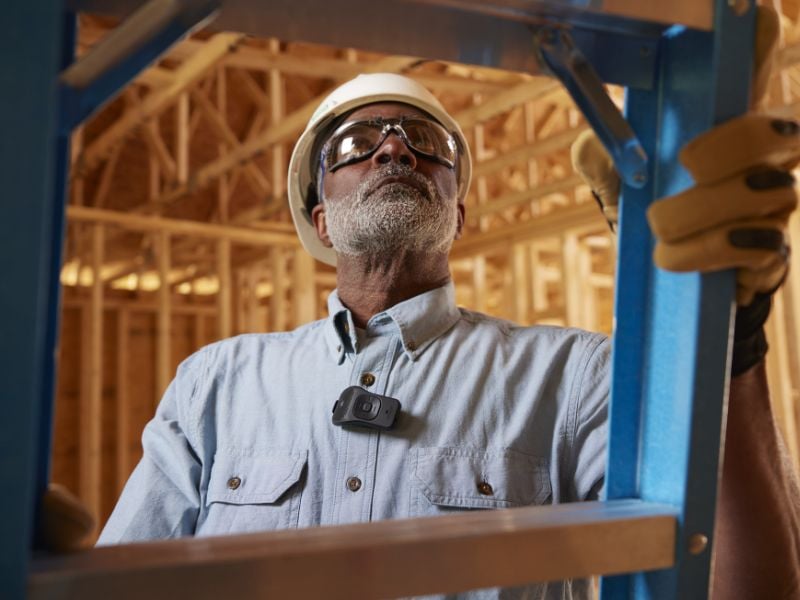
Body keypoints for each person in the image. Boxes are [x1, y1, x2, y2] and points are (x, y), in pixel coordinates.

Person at [92, 12, 799, 598]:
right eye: (356, 144)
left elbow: (732, 578)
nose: (395, 150)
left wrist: (717, 331)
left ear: (457, 214)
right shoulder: (215, 385)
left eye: (424, 143)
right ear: (320, 217)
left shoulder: (574, 378)